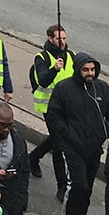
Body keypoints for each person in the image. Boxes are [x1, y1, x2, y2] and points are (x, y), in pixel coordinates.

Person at [44, 52, 109, 213]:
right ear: (78, 69)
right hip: (72, 147)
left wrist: (103, 132)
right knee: (78, 186)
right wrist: (67, 135)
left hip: (94, 147)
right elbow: (54, 115)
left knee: (87, 189)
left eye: (92, 69)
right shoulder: (64, 88)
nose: (90, 73)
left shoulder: (101, 88)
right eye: (86, 70)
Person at [28, 24, 73, 191]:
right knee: (59, 145)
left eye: (64, 38)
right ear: (50, 39)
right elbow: (43, 80)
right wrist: (54, 69)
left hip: (67, 107)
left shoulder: (72, 56)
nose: (62, 41)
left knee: (56, 139)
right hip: (50, 107)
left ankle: (33, 157)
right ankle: (62, 186)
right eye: (58, 38)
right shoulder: (42, 57)